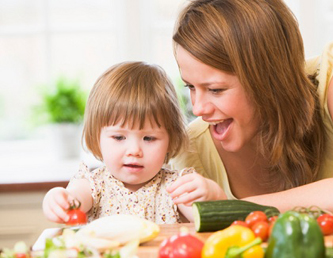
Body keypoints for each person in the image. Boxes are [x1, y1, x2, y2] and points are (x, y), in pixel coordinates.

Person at [169, 0, 333, 213]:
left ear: (267, 78)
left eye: (215, 89)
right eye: (190, 86)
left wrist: (233, 208)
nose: (198, 109)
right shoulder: (193, 150)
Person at [42, 62, 226, 224]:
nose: (134, 151)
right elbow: (73, 200)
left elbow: (210, 219)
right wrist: (57, 199)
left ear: (170, 141)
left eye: (149, 138)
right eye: (119, 137)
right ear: (96, 137)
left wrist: (213, 194)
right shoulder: (94, 186)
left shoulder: (175, 187)